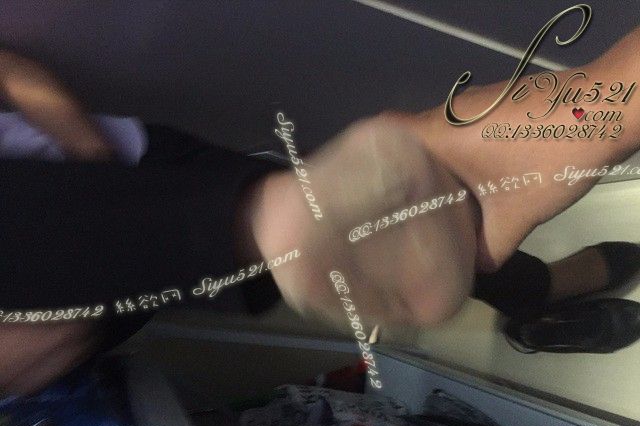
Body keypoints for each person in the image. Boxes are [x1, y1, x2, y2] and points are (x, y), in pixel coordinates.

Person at [1, 25, 639, 394]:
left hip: (129, 177)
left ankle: (532, 283)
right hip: (102, 282)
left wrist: (91, 161)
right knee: (391, 234)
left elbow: (11, 69)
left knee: (408, 230)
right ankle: (518, 275)